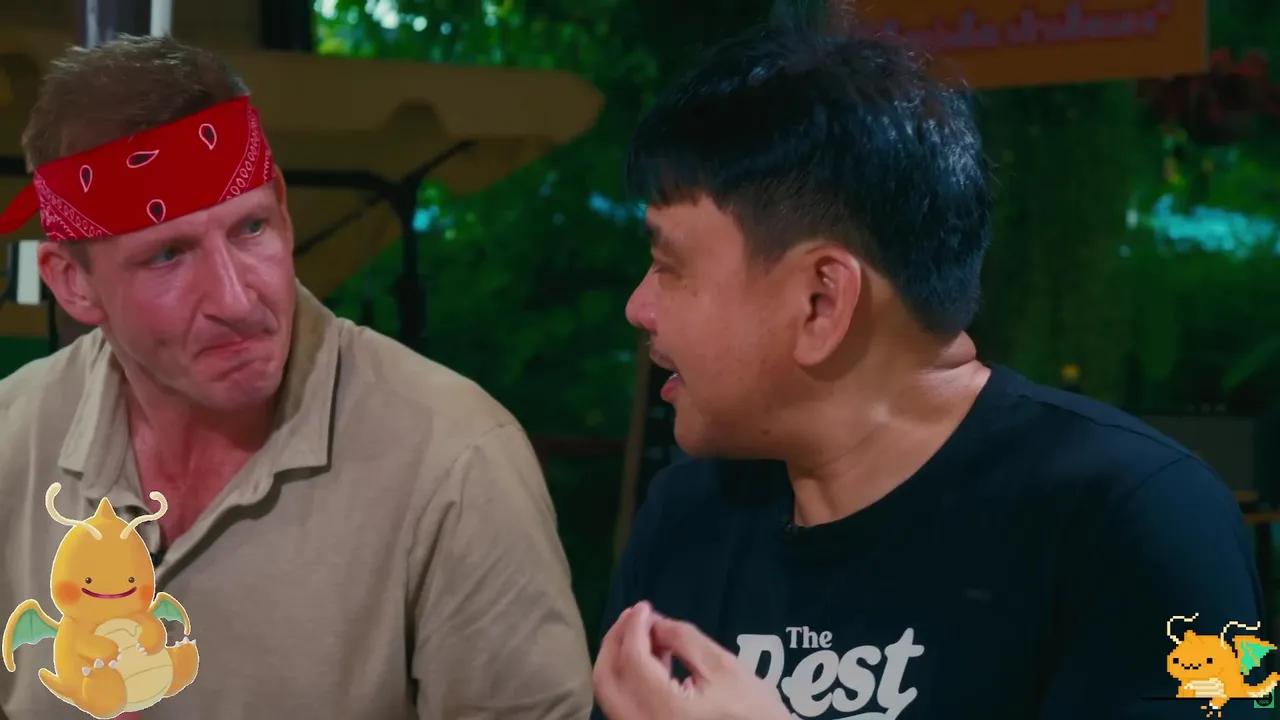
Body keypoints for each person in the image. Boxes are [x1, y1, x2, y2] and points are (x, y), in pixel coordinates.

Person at [591, 15, 1266, 720]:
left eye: (670, 267)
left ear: (821, 301)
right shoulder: (685, 519)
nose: (640, 308)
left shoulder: (1149, 515)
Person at [0, 36, 592, 720]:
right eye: (168, 256)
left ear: (282, 209)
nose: (235, 299)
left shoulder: (457, 460)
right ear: (72, 283)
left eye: (251, 229)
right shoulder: (14, 435)